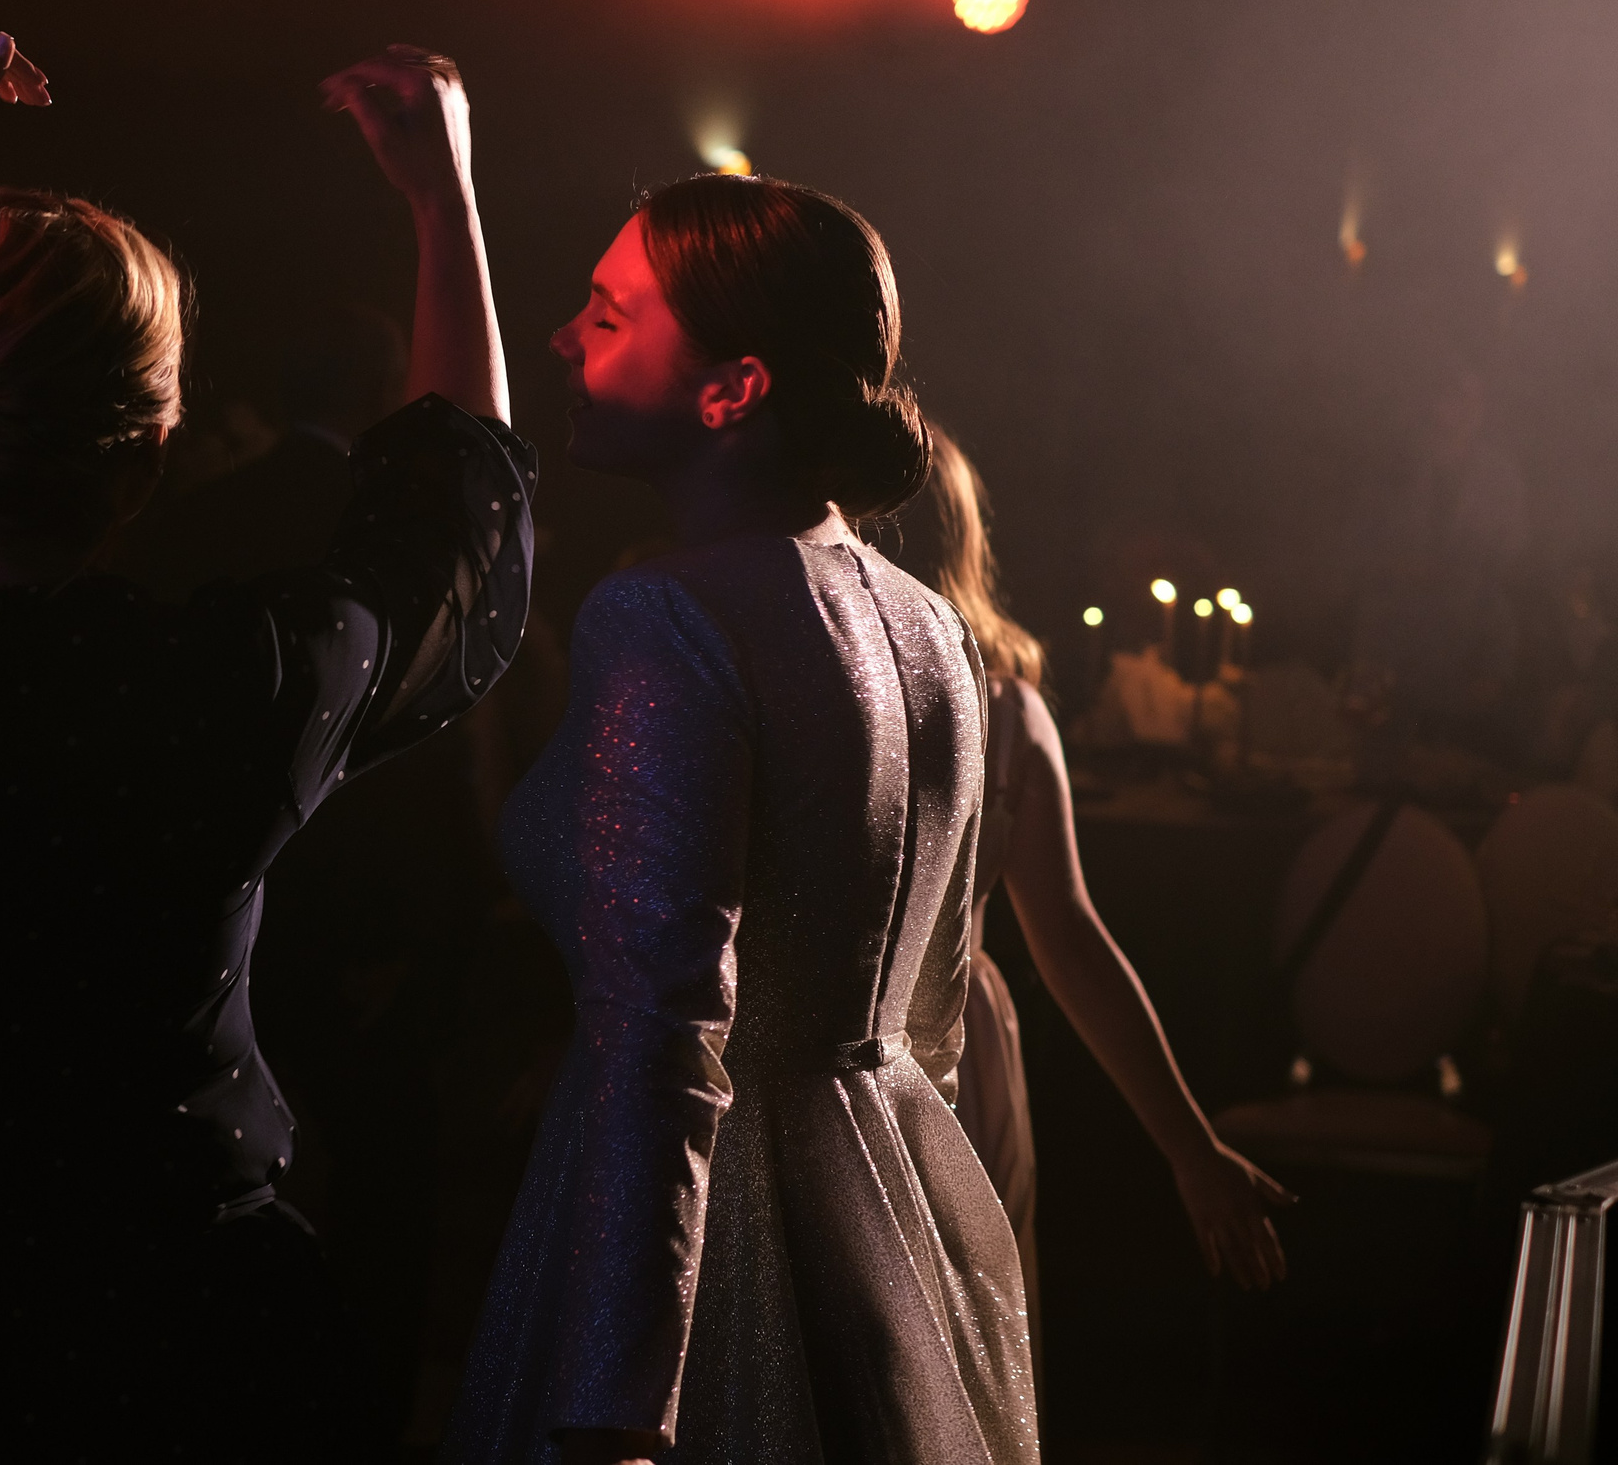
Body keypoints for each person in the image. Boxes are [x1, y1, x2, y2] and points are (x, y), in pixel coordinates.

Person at [0, 35, 531, 1459]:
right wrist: (443, 203)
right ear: (152, 443)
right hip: (171, 1335)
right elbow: (452, 514)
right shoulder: (232, 678)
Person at [448, 173, 1032, 1465]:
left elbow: (664, 1020)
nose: (563, 336)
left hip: (700, 1255)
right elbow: (936, 997)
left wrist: (615, 1395)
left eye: (607, 315)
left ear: (733, 386)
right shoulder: (927, 624)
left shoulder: (666, 617)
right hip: (890, 1215)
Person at [125, 298, 505, 1441]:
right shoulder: (383, 526)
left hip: (216, 947)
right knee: (382, 1229)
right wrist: (435, 928)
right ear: (388, 389)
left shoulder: (190, 523)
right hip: (371, 950)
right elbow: (432, 753)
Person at [903, 424, 1289, 1312]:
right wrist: (1190, 1150)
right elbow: (1071, 945)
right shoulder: (1008, 710)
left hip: (834, 1044)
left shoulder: (802, 679)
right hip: (960, 1047)